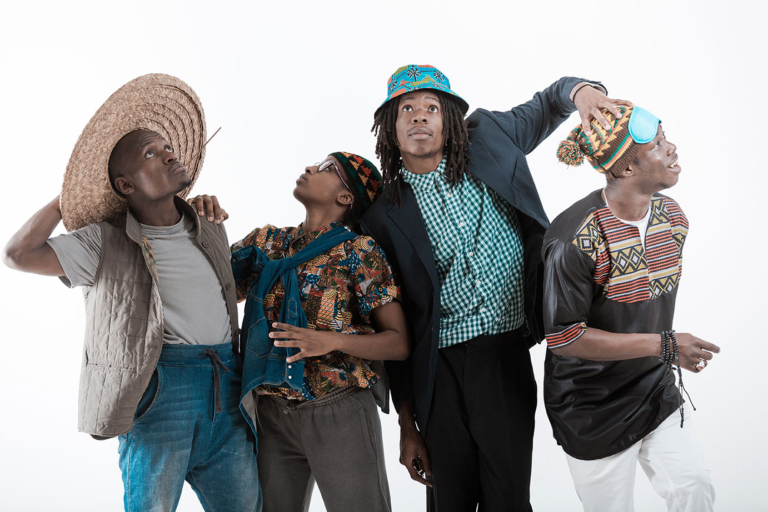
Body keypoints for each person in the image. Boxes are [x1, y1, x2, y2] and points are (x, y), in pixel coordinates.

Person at [360, 64, 629, 511]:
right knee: (451, 501)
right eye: (406, 109)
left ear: (450, 118)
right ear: (390, 127)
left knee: (509, 499)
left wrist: (584, 93)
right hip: (438, 370)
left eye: (431, 107)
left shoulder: (490, 137)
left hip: (504, 354)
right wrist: (407, 425)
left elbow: (550, 101)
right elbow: (394, 323)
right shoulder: (381, 217)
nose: (419, 115)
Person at [2, 74, 260, 512]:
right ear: (125, 185)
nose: (169, 154)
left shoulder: (209, 224)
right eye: (150, 153)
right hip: (161, 390)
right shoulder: (101, 242)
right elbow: (17, 254)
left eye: (167, 147)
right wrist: (66, 199)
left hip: (227, 386)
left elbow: (222, 292)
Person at [191, 152, 410, 512]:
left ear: (345, 197)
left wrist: (331, 340)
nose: (310, 168)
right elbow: (209, 284)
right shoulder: (267, 243)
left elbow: (399, 342)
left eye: (327, 169)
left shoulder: (358, 251)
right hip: (271, 411)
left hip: (337, 409)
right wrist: (197, 220)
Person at [543, 105, 719, 511]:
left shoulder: (673, 218)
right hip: (590, 405)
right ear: (625, 168)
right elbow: (565, 337)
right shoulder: (574, 239)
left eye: (665, 137)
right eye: (656, 145)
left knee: (694, 486)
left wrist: (663, 350)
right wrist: (666, 345)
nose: (671, 148)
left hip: (654, 387)